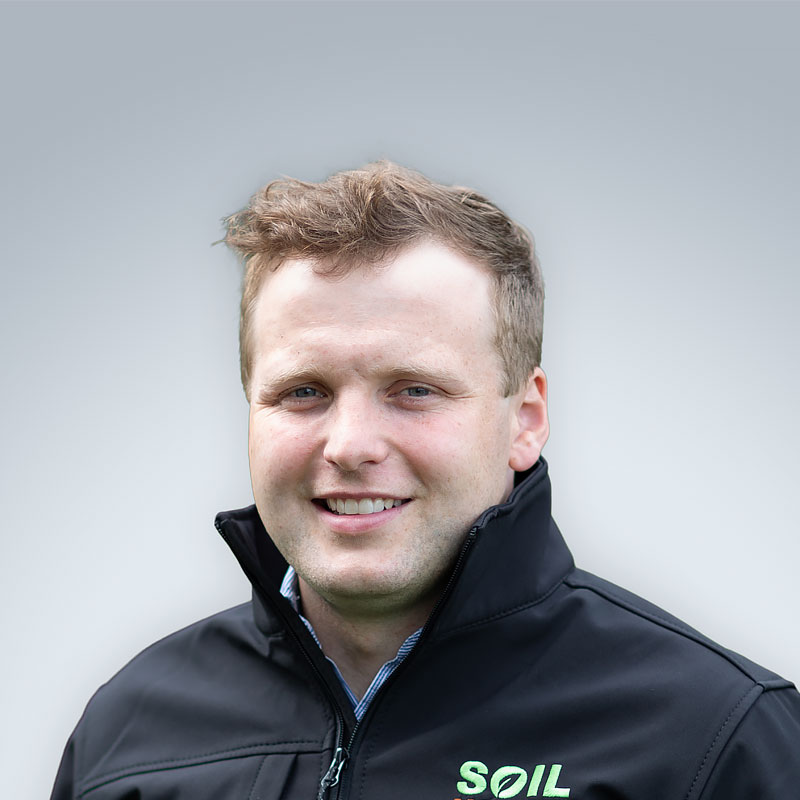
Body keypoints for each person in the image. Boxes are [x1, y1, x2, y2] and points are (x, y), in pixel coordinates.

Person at [51, 162, 800, 800]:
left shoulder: (716, 737)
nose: (350, 445)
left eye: (414, 390)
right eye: (303, 392)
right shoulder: (126, 738)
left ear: (526, 418)